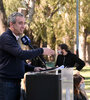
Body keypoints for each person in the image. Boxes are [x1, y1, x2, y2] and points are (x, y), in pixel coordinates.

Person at [0, 12, 55, 100]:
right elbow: (21, 54)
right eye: (20, 23)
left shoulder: (15, 39)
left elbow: (18, 61)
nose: (23, 26)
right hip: (6, 83)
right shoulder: (6, 38)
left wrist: (33, 68)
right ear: (11, 24)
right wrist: (41, 50)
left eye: (24, 23)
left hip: (14, 82)